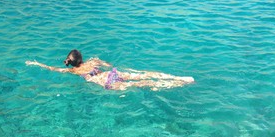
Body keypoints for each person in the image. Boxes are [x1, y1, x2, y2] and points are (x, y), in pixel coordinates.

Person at [25, 49, 194, 91]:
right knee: (141, 75)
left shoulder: (73, 71)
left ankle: (175, 84)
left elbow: (53, 69)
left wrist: (36, 63)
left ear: (70, 62)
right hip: (111, 74)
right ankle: (178, 78)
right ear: (81, 57)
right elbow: (106, 64)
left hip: (105, 82)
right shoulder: (93, 61)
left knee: (143, 84)